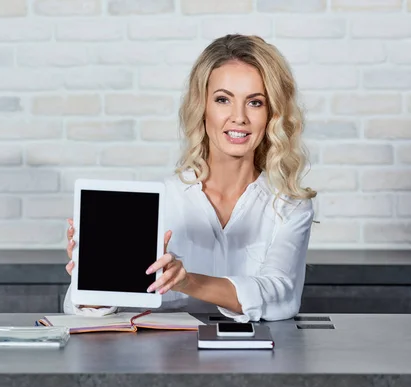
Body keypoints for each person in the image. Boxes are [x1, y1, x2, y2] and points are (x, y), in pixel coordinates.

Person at [62, 34, 317, 322]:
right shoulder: (160, 201)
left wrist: (187, 281)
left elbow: (280, 296)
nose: (239, 117)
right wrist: (93, 274)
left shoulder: (289, 205)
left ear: (272, 114)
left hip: (258, 361)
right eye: (223, 100)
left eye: (255, 102)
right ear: (203, 107)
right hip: (163, 362)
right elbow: (82, 309)